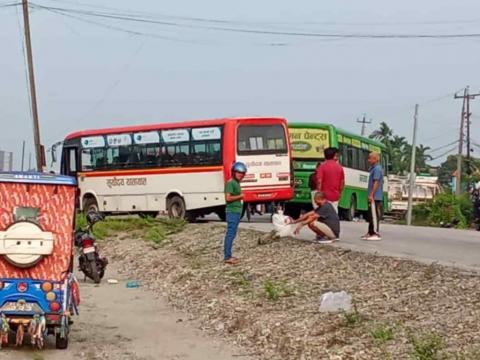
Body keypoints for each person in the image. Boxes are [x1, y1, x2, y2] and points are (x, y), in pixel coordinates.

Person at [223, 162, 247, 265]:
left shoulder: (236, 183)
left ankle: (228, 255)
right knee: (230, 234)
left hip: (236, 212)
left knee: (232, 234)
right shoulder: (231, 183)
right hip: (232, 212)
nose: (240, 175)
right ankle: (227, 256)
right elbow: (228, 198)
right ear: (234, 172)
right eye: (238, 172)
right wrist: (240, 196)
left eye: (242, 173)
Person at [313, 147, 345, 212]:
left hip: (324, 196)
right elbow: (342, 182)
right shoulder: (340, 167)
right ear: (334, 155)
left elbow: (319, 181)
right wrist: (339, 193)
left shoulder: (322, 167)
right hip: (335, 196)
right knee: (334, 214)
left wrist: (318, 193)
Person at [362, 152, 384, 241]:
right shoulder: (373, 168)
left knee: (374, 215)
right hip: (373, 196)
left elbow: (376, 182)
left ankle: (375, 232)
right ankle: (370, 232)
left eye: (370, 158)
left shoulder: (377, 169)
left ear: (375, 159)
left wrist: (371, 194)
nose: (368, 160)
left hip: (375, 196)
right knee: (370, 215)